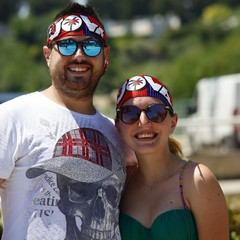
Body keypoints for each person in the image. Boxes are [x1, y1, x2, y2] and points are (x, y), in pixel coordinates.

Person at [0, 3, 126, 240]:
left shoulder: (117, 134)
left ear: (105, 56)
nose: (79, 55)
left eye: (90, 45)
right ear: (48, 55)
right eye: (67, 45)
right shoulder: (12, 118)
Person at [115, 75, 229, 240]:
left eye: (156, 112)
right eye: (130, 113)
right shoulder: (122, 184)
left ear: (173, 123)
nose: (143, 121)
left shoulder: (197, 180)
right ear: (119, 127)